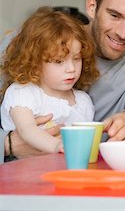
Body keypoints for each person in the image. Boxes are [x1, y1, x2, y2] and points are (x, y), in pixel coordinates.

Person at [1, 0, 125, 162]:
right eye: (114, 15)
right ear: (92, 6)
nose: (123, 33)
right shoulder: (28, 42)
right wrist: (8, 145)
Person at [1, 8, 99, 153]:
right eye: (59, 61)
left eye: (77, 59)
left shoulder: (83, 101)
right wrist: (57, 146)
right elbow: (27, 130)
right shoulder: (22, 93)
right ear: (34, 63)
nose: (71, 68)